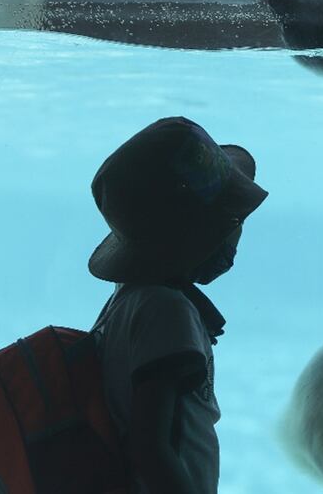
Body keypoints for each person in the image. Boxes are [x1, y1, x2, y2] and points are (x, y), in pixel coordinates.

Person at [88, 116, 268, 494]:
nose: (238, 230)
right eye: (232, 218)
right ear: (200, 236)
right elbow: (150, 449)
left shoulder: (127, 300)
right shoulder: (168, 312)